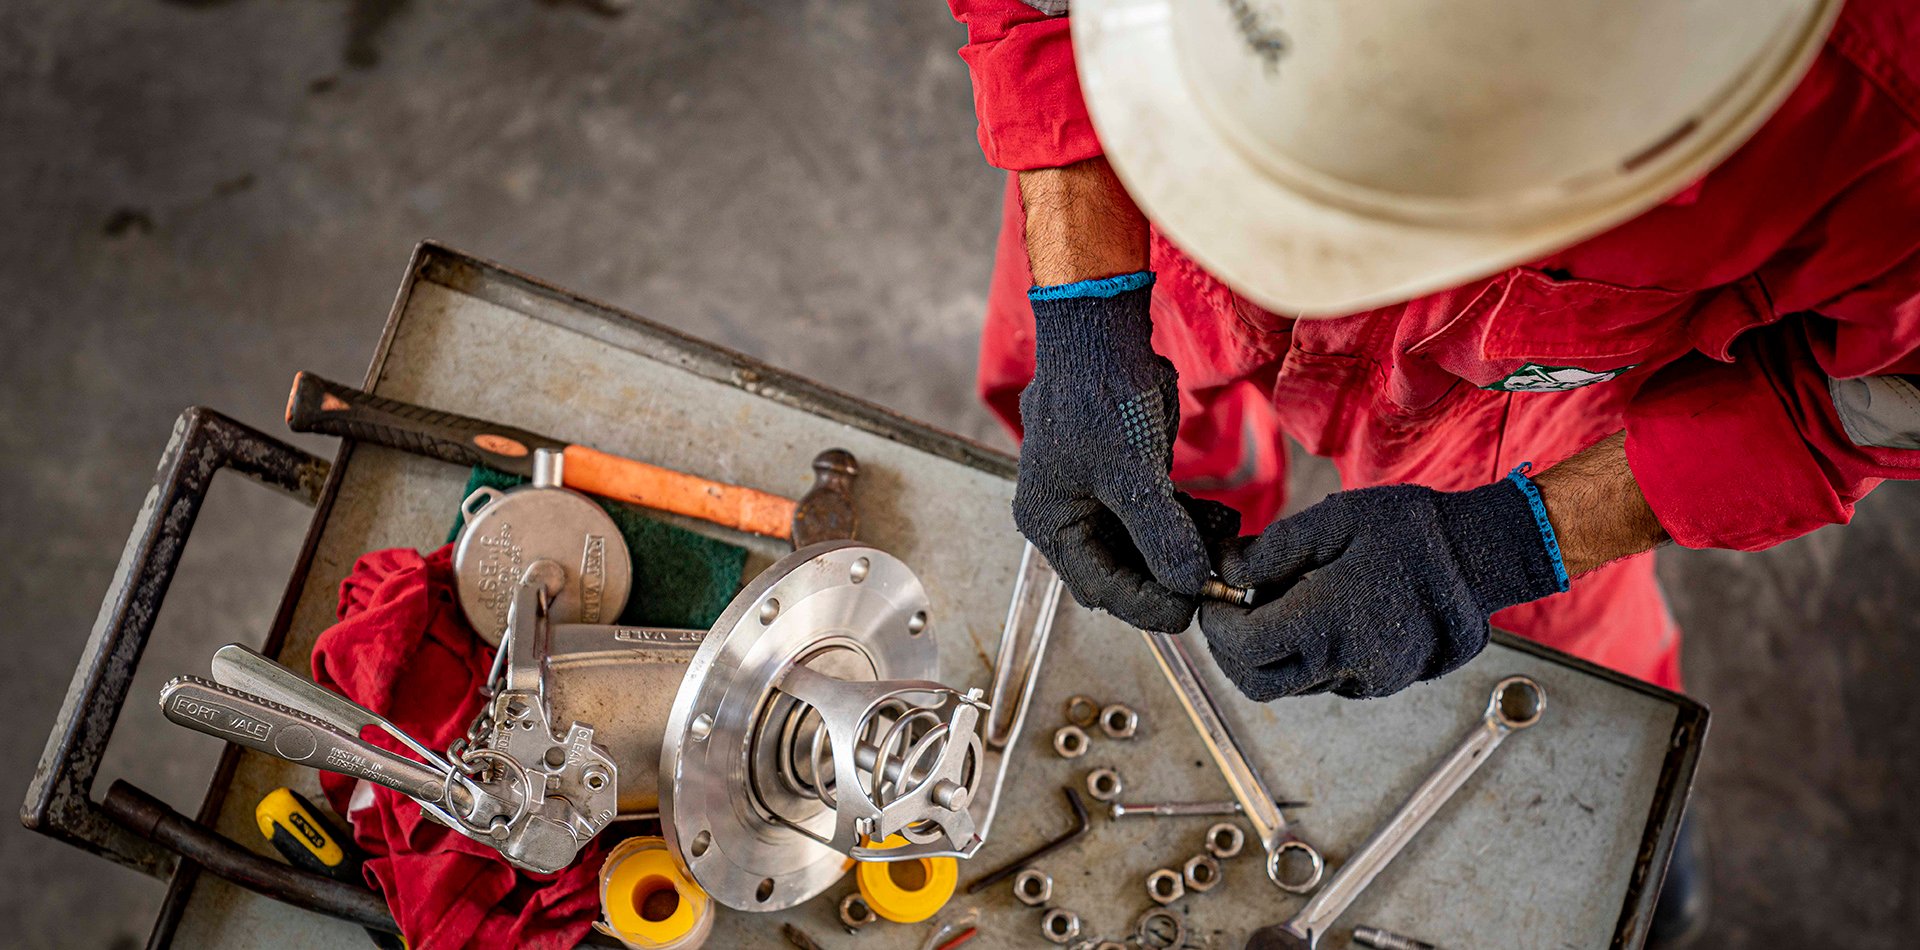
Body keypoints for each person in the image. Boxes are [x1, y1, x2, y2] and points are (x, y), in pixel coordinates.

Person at [947, 0, 1920, 944]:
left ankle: (1621, 811)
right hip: (1174, 162)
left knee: (1554, 655)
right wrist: (1086, 308)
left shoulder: (1886, 102)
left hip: (1526, 370)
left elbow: (1862, 401)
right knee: (1124, 491)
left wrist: (1511, 541)